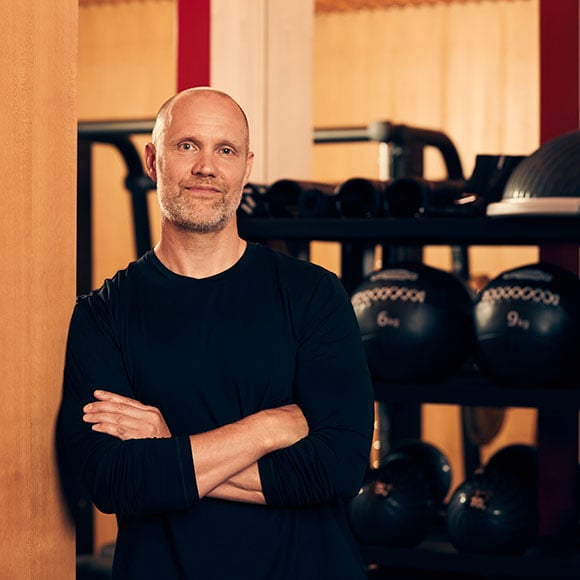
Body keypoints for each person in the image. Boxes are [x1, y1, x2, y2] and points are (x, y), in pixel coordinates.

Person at [58, 87, 375, 579]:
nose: (207, 167)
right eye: (187, 146)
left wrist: (168, 448)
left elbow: (338, 466)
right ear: (152, 159)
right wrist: (268, 428)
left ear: (245, 168)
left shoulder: (313, 294)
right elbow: (111, 478)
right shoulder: (103, 314)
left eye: (224, 150)